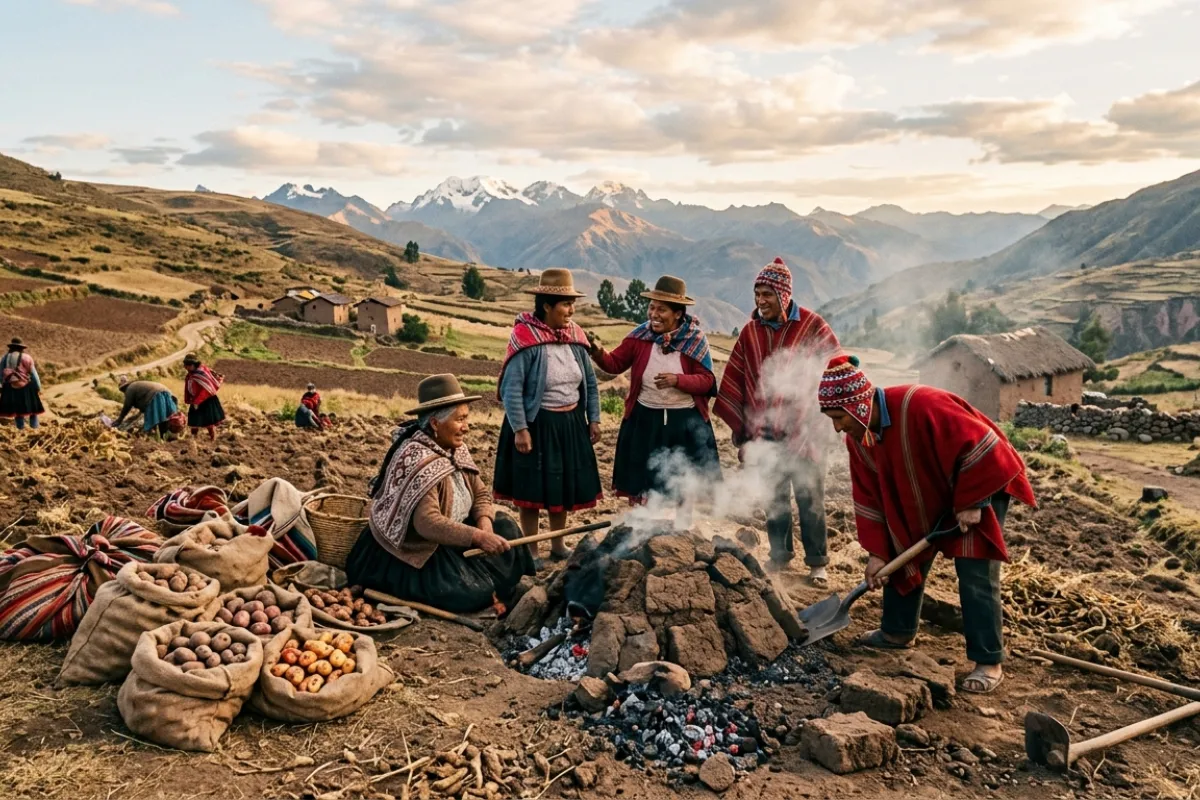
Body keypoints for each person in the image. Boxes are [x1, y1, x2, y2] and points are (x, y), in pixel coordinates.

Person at [818, 354, 1037, 694]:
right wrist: (878, 553)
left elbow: (985, 444)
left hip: (979, 481)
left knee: (974, 569)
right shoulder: (859, 439)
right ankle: (897, 631)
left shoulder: (921, 404)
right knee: (899, 548)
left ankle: (988, 660)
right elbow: (870, 496)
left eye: (837, 417)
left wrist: (972, 501)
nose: (836, 427)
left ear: (858, 405)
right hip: (933, 492)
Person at [347, 374, 534, 613]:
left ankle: (504, 587)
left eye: (466, 418)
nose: (466, 427)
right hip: (413, 550)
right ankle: (492, 592)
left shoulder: (455, 448)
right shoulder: (417, 458)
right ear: (435, 423)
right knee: (471, 591)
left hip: (451, 532)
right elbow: (428, 523)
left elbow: (480, 494)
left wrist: (485, 526)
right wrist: (478, 538)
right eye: (460, 420)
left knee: (506, 526)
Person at [713, 257, 841, 584]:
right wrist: (745, 429)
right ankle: (779, 556)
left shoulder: (812, 326)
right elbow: (738, 377)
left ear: (783, 294)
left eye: (767, 293)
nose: (760, 301)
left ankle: (817, 563)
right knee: (774, 495)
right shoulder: (751, 332)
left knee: (809, 494)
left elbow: (835, 366)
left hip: (806, 428)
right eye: (757, 293)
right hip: (766, 428)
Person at [494, 268, 602, 562]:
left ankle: (557, 544)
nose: (571, 310)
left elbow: (589, 383)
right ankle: (531, 548)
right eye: (566, 304)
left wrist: (593, 418)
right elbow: (512, 388)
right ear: (546, 306)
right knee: (532, 491)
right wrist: (520, 428)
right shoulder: (525, 338)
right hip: (536, 424)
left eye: (572, 303)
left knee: (561, 487)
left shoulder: (575, 336)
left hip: (569, 424)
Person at [588, 275, 719, 511]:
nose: (654, 314)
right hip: (645, 420)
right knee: (644, 483)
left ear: (678, 313)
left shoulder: (695, 340)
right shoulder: (640, 337)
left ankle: (681, 532)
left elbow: (708, 382)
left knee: (684, 484)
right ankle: (644, 531)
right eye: (652, 308)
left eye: (662, 310)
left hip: (685, 423)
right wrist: (597, 352)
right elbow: (615, 364)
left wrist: (677, 380)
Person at [114, 375, 181, 438]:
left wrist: (119, 419)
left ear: (123, 388)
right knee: (166, 418)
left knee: (156, 420)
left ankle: (160, 438)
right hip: (167, 394)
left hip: (157, 396)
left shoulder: (129, 389)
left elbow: (127, 405)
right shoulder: (138, 386)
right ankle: (167, 437)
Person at [0, 338, 44, 431]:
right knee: (33, 410)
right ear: (21, 348)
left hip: (10, 387)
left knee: (18, 411)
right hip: (25, 386)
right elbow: (33, 374)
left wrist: (3, 386)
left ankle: (20, 429)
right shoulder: (27, 357)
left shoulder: (4, 358)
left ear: (11, 347)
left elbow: (1, 374)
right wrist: (38, 387)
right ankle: (35, 428)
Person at [182, 352, 226, 440]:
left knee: (209, 422)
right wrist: (189, 399)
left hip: (207, 399)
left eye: (189, 365)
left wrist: (197, 401)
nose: (187, 367)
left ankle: (212, 438)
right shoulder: (190, 374)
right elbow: (188, 387)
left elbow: (206, 389)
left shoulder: (201, 373)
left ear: (194, 364)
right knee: (194, 421)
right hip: (195, 399)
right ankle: (193, 439)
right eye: (186, 365)